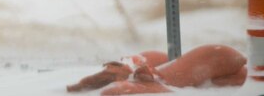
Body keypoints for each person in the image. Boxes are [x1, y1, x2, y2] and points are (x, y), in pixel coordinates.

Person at [66, 45, 247, 95]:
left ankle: (135, 69)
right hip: (219, 58)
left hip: (218, 58)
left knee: (163, 68)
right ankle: (138, 70)